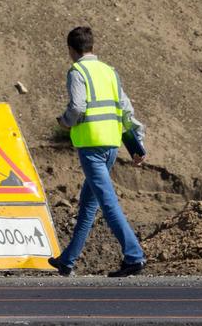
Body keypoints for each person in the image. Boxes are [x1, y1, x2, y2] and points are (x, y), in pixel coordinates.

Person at [48, 26, 147, 278]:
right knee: (88, 205)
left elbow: (78, 107)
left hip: (90, 146)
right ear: (92, 46)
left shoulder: (77, 71)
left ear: (71, 49)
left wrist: (65, 121)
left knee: (107, 202)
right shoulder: (109, 72)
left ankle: (134, 256)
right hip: (112, 144)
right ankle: (67, 260)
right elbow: (126, 109)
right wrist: (137, 144)